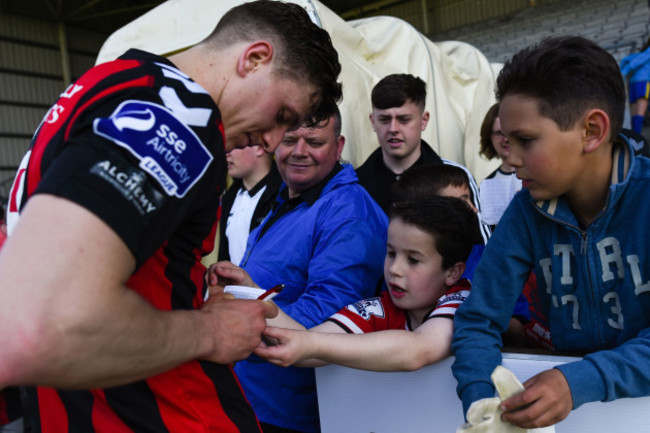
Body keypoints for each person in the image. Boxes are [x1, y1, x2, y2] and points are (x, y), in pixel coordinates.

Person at [0, 1, 342, 432]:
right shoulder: (179, 116)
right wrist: (212, 332)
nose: (274, 141)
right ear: (254, 59)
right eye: (282, 116)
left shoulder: (105, 85)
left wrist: (185, 289)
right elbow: (37, 321)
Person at [451, 36, 650, 429]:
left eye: (525, 140)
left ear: (591, 131)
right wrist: (483, 411)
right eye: (506, 141)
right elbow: (477, 321)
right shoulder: (524, 212)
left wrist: (579, 381)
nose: (508, 157)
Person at [214, 108, 388, 433]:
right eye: (290, 139)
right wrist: (245, 289)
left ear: (339, 147)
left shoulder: (348, 212)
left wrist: (236, 323)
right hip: (257, 397)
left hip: (296, 411)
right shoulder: (289, 196)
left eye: (314, 141)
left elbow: (327, 320)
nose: (299, 151)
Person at [254, 196, 476, 371]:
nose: (394, 269)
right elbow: (308, 345)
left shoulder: (463, 301)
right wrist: (254, 299)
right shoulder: (380, 309)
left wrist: (311, 345)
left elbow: (418, 350)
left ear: (453, 272)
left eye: (413, 260)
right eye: (390, 253)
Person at [355, 73, 492, 243]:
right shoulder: (355, 185)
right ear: (373, 121)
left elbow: (481, 248)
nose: (393, 128)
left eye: (404, 119)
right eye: (384, 119)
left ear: (424, 120)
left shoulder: (456, 179)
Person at [218, 144, 282, 264]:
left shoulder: (285, 195)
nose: (227, 152)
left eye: (237, 143)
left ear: (260, 147)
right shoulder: (228, 198)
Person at [477, 102, 522, 230]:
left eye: (510, 132)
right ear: (489, 137)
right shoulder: (487, 186)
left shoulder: (539, 178)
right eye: (499, 133)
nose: (506, 139)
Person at [619, 37, 650, 134]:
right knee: (641, 107)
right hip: (643, 81)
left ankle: (634, 135)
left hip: (633, 82)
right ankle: (637, 136)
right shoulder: (647, 52)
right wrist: (624, 71)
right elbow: (636, 62)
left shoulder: (638, 54)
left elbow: (625, 60)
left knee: (634, 109)